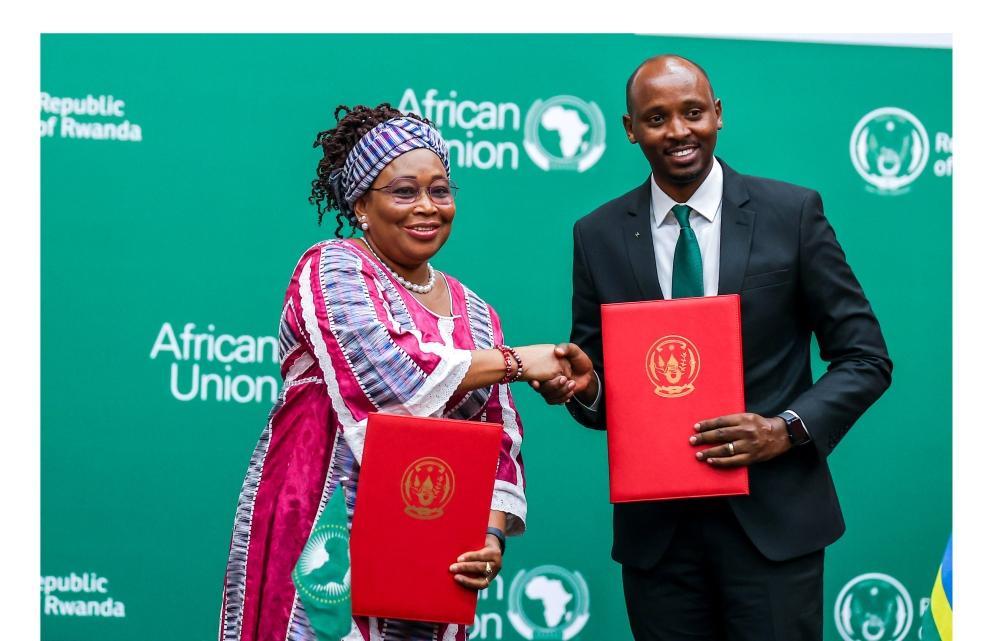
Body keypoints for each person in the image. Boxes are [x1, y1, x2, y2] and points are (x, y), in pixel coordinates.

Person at [533, 56, 893, 641]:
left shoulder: (792, 214)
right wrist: (584, 388)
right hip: (659, 541)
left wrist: (784, 430)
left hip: (774, 528)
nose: (678, 131)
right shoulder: (597, 234)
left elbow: (866, 358)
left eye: (693, 112)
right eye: (656, 118)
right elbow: (597, 385)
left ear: (718, 115)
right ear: (630, 129)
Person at [220, 103, 570, 641]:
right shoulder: (332, 267)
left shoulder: (477, 312)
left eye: (440, 191)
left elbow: (498, 440)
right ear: (361, 204)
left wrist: (489, 536)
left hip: (429, 538)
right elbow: (389, 381)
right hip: (322, 523)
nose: (427, 207)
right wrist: (517, 362)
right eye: (405, 192)